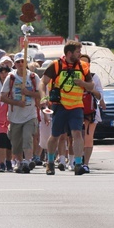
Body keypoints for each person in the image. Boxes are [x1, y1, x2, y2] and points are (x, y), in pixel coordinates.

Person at [41, 40, 94, 176]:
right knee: (55, 136)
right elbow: (43, 82)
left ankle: (77, 164)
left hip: (77, 106)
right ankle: (51, 162)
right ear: (69, 53)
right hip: (60, 106)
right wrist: (43, 97)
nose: (80, 54)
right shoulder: (56, 65)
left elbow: (91, 86)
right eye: (78, 52)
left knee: (77, 134)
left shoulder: (83, 66)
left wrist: (82, 83)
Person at [2, 53, 41, 173]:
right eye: (18, 62)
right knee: (16, 141)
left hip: (30, 114)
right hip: (15, 116)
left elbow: (41, 94)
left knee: (27, 137)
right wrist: (16, 102)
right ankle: (19, 162)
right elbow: (2, 97)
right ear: (15, 64)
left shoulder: (34, 77)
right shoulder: (11, 78)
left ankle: (28, 161)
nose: (20, 64)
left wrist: (29, 93)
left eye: (23, 61)